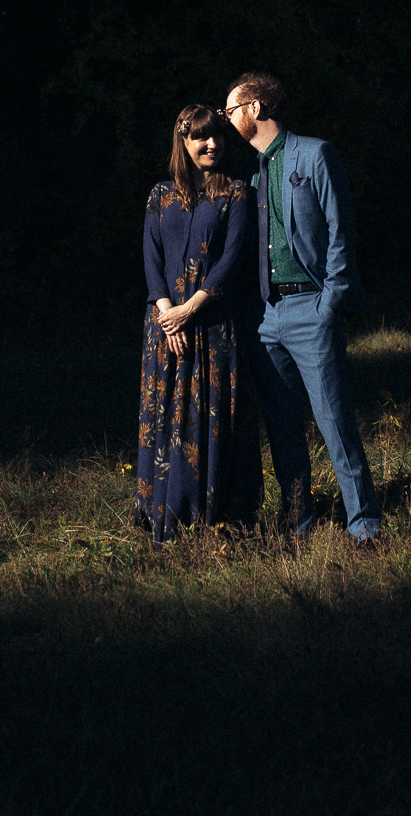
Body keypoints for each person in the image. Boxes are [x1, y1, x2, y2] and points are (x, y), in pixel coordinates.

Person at [215, 71, 382, 544]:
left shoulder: (315, 154)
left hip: (312, 307)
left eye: (230, 110)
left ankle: (365, 527)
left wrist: (330, 302)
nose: (227, 120)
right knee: (283, 429)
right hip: (263, 318)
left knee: (335, 423)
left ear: (256, 108)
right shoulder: (244, 173)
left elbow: (341, 232)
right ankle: (300, 527)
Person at [136, 104, 264, 541]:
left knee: (208, 418)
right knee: (167, 412)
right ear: (184, 142)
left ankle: (213, 515)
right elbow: (152, 258)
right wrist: (165, 310)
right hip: (165, 326)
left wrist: (190, 308)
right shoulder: (160, 194)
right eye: (201, 138)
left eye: (218, 137)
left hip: (211, 325)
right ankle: (163, 515)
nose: (212, 145)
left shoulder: (236, 193)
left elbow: (232, 258)